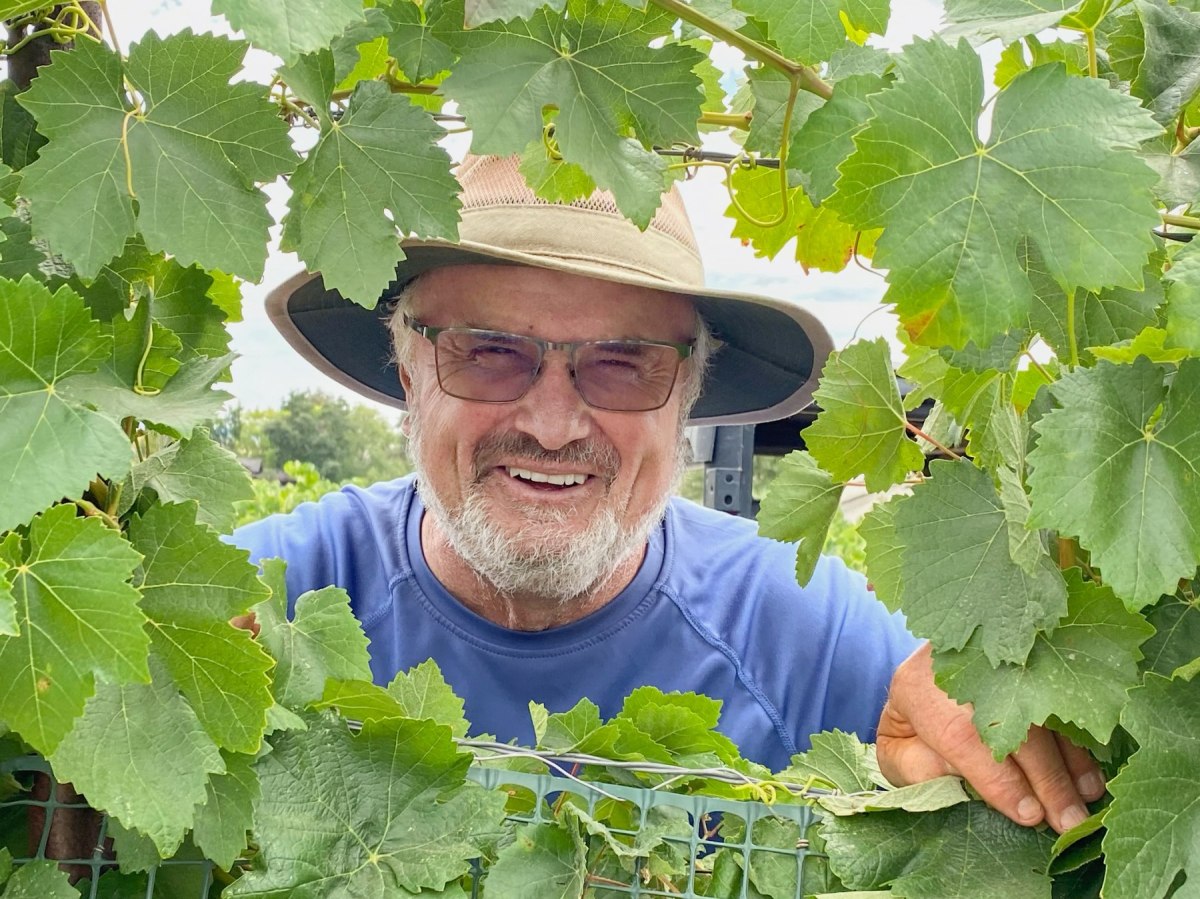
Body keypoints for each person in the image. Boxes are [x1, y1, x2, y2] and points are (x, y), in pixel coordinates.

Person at [237, 154, 1103, 833]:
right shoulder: (263, 604)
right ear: (408, 372)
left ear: (687, 400)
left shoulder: (803, 632)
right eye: (488, 350)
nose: (551, 423)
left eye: (623, 364)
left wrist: (987, 722)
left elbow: (949, 730)